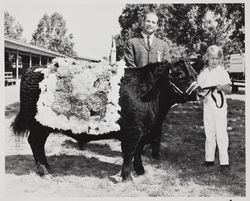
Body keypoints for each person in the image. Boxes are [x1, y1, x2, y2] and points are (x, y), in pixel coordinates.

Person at [124, 12, 170, 159]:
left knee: (157, 119)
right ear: (143, 22)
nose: (150, 24)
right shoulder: (132, 42)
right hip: (139, 89)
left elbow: (167, 65)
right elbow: (130, 64)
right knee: (140, 119)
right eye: (148, 21)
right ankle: (138, 147)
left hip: (157, 91)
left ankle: (155, 148)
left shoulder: (163, 45)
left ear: (157, 26)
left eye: (154, 22)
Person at [197, 45, 231, 171]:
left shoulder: (222, 72)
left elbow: (229, 89)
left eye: (217, 58)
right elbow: (199, 91)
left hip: (220, 108)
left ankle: (224, 161)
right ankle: (209, 159)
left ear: (220, 59)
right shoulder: (203, 74)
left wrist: (222, 87)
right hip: (208, 107)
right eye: (212, 58)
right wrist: (202, 97)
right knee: (209, 133)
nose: (214, 61)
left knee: (221, 133)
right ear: (207, 58)